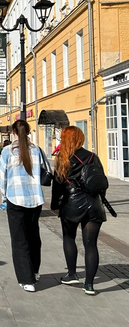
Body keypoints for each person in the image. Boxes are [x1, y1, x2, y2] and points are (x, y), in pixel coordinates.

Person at [50, 126, 106, 296]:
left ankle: (72, 274)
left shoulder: (62, 159)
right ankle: (89, 285)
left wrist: (55, 205)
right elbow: (100, 181)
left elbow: (58, 186)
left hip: (71, 204)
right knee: (91, 245)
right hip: (93, 204)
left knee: (69, 238)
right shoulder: (92, 156)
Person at [0, 120, 46, 293]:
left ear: (13, 132)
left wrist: (4, 197)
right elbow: (42, 172)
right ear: (28, 131)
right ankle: (35, 270)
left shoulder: (7, 151)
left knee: (19, 240)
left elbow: (2, 177)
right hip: (35, 200)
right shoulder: (37, 150)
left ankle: (27, 280)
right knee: (34, 236)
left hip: (15, 199)